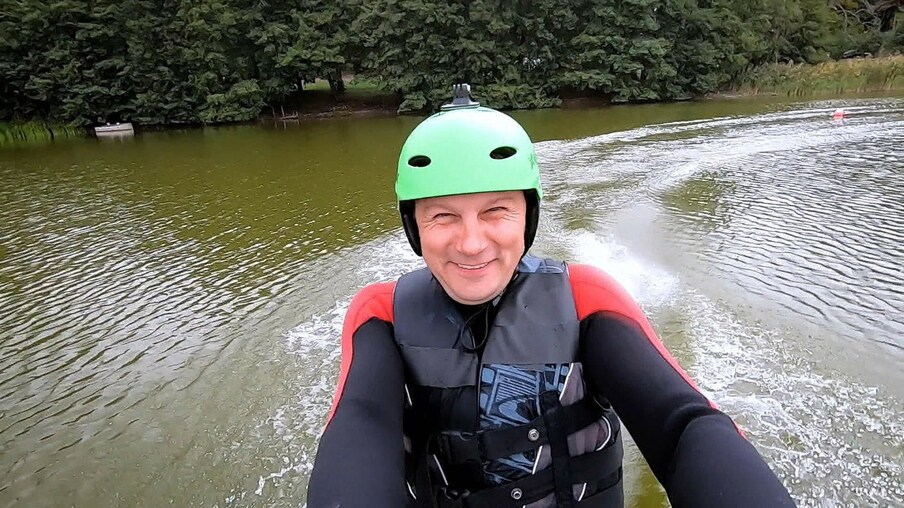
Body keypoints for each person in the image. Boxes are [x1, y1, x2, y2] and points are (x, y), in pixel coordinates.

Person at [307, 84, 795, 507]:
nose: (472, 243)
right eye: (443, 216)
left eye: (496, 210)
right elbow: (361, 424)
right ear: (414, 228)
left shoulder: (586, 299)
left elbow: (682, 425)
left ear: (528, 217)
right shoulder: (381, 315)